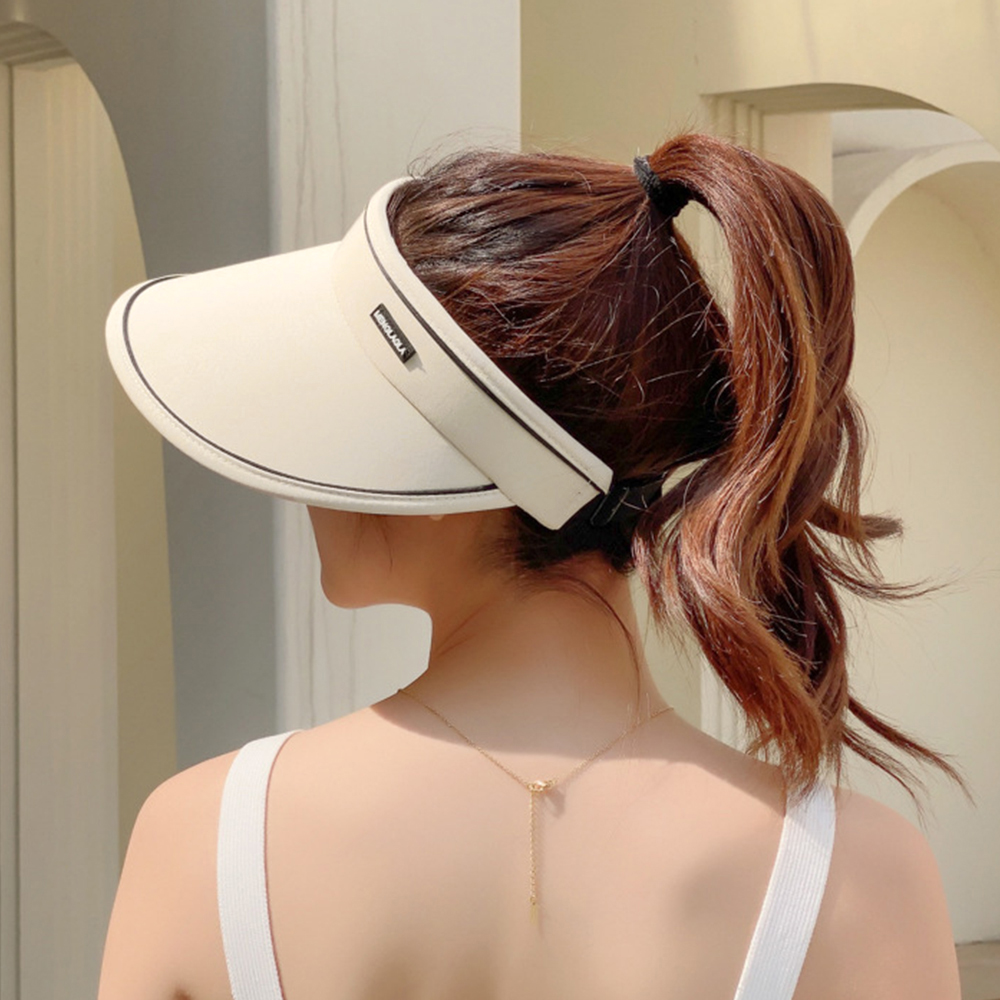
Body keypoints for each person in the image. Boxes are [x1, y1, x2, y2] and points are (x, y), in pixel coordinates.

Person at [97, 130, 966, 1000]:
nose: (304, 482)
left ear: (438, 473)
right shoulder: (858, 880)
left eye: (337, 422)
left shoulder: (206, 842)